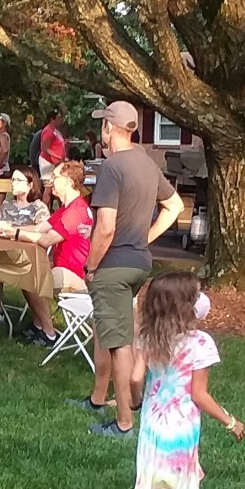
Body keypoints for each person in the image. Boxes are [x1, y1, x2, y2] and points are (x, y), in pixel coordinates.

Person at [104, 272, 245, 489]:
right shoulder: (200, 344)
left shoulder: (148, 337)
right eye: (196, 296)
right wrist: (230, 421)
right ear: (185, 306)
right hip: (180, 434)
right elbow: (199, 395)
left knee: (184, 483)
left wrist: (137, 401)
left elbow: (135, 378)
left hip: (153, 431)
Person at [75, 100, 183, 439]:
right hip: (139, 263)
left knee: (119, 342)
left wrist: (91, 266)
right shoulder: (147, 164)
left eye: (102, 126)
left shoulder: (112, 167)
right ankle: (98, 398)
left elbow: (105, 227)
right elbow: (175, 206)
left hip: (113, 266)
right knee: (107, 329)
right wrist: (144, 238)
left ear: (108, 128)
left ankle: (123, 423)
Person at [0, 161, 94, 344]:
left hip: (74, 277)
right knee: (29, 273)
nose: (50, 182)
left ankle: (49, 334)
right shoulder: (67, 208)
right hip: (64, 270)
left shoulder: (75, 212)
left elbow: (46, 239)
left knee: (32, 277)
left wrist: (15, 233)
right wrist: (8, 229)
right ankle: (39, 325)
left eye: (55, 177)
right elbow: (40, 227)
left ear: (68, 181)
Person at [0, 166, 49, 330]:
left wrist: (13, 230)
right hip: (4, 250)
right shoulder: (7, 205)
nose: (13, 183)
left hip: (26, 256)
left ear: (30, 185)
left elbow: (43, 230)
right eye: (12, 180)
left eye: (18, 180)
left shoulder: (38, 207)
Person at [38, 108, 69, 206]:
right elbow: (45, 148)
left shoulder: (56, 131)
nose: (60, 120)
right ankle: (44, 208)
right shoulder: (48, 131)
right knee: (48, 187)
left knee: (58, 184)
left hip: (56, 163)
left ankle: (60, 208)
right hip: (48, 162)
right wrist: (56, 155)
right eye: (58, 118)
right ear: (52, 119)